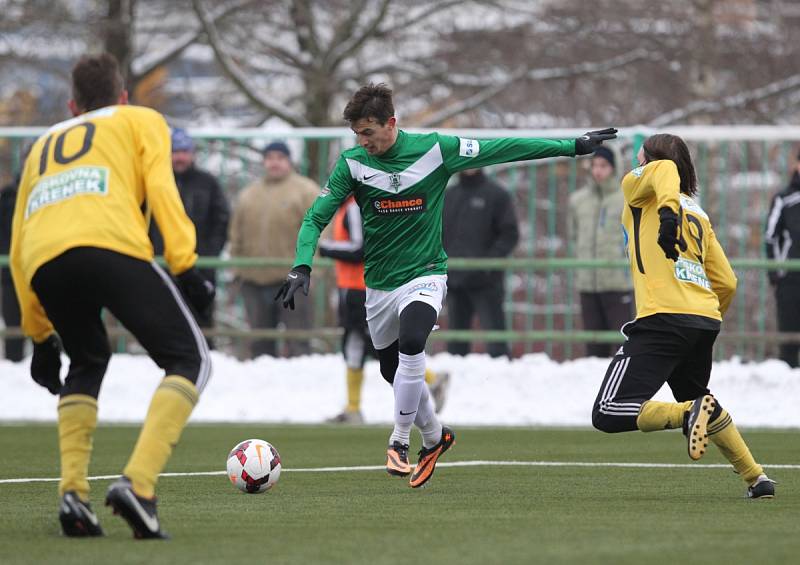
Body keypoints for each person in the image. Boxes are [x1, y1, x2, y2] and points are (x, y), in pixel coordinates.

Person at [275, 83, 616, 488]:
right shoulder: (352, 165)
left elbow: (505, 149)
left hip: (426, 273)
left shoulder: (436, 149)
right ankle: (436, 437)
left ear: (392, 123)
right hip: (380, 286)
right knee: (391, 370)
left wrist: (571, 146)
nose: (362, 141)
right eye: (356, 135)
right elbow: (315, 218)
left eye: (368, 132)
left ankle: (399, 442)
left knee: (414, 341)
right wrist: (301, 266)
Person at [10, 53, 214, 538]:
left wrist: (37, 336)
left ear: (72, 105)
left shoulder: (41, 144)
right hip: (110, 245)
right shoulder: (141, 119)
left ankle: (74, 495)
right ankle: (138, 486)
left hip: (44, 262)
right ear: (123, 97)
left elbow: (18, 243)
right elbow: (163, 189)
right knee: (190, 361)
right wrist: (186, 266)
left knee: (86, 360)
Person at [591, 133, 775, 499]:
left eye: (639, 157)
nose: (635, 164)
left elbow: (661, 171)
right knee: (700, 396)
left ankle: (686, 413)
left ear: (649, 161)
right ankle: (757, 478)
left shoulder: (639, 185)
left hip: (663, 317)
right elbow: (728, 281)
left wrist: (667, 213)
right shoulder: (699, 212)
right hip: (703, 319)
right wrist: (703, 314)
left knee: (608, 412)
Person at [320, 196, 449, 424]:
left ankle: (430, 379)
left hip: (363, 288)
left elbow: (360, 248)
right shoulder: (349, 207)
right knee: (359, 345)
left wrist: (325, 248)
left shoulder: (355, 206)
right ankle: (353, 407)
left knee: (377, 347)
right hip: (352, 287)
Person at [229, 141, 319, 358]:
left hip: (294, 280)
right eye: (270, 158)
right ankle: (261, 385)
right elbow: (235, 235)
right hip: (254, 280)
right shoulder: (248, 195)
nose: (274, 163)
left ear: (289, 161)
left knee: (298, 341)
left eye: (280, 158)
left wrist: (312, 270)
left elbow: (320, 231)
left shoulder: (306, 191)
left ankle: (301, 384)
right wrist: (238, 270)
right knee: (260, 343)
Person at [149, 127, 229, 347]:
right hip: (162, 264)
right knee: (165, 320)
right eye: (175, 151)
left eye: (184, 151)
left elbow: (221, 220)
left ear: (192, 153)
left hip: (199, 265)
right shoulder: (156, 181)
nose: (180, 157)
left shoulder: (208, 183)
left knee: (201, 320)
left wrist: (209, 253)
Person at [442, 168, 519, 357]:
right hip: (455, 280)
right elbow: (436, 234)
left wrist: (488, 264)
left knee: (497, 344)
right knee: (456, 346)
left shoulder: (497, 194)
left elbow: (510, 234)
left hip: (486, 281)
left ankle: (503, 381)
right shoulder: (448, 195)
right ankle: (458, 381)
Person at [568, 146, 633, 357]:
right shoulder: (578, 201)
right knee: (594, 349)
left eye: (603, 165)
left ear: (614, 168)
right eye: (595, 165)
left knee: (623, 345)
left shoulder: (627, 199)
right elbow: (574, 236)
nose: (598, 170)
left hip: (618, 283)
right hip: (588, 282)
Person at [764, 151, 800, 368]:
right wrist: (776, 273)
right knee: (789, 339)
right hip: (790, 279)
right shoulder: (783, 198)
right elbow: (770, 237)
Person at [1, 171, 24, 361]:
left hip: (39, 271)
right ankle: (14, 366)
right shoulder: (8, 197)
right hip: (10, 274)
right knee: (13, 328)